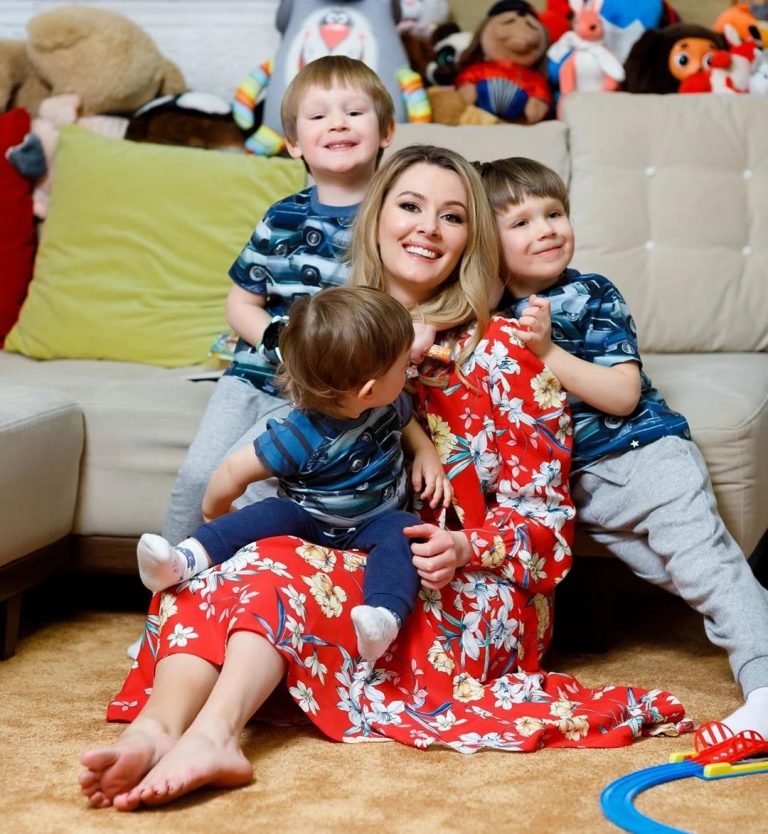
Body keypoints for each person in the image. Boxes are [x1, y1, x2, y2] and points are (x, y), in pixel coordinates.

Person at [80, 146, 690, 812]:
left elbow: (547, 529)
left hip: (462, 590)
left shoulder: (508, 354)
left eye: (452, 216)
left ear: (473, 240)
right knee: (228, 558)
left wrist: (465, 545)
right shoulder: (338, 329)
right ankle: (155, 730)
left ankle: (217, 735)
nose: (428, 227)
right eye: (410, 206)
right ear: (374, 220)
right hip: (341, 550)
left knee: (279, 567)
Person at [479, 156, 768, 738]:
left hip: (642, 456)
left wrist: (548, 352)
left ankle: (764, 688)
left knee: (708, 568)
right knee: (700, 578)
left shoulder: (589, 294)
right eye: (522, 222)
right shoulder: (486, 311)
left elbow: (621, 395)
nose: (547, 230)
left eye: (554, 213)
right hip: (577, 486)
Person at [137, 285, 452, 661]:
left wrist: (425, 451)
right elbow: (233, 471)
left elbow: (405, 421)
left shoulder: (387, 401)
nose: (409, 371)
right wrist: (213, 512)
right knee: (270, 513)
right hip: (308, 524)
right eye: (403, 367)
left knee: (404, 532)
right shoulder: (299, 435)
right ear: (368, 390)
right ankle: (184, 559)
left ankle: (382, 619)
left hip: (376, 522)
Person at [161, 55, 396, 549]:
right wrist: (278, 341)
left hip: (321, 394)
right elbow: (240, 303)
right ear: (294, 143)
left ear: (386, 131)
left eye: (354, 112)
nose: (338, 123)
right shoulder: (281, 218)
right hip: (253, 373)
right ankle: (170, 583)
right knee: (197, 476)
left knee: (254, 487)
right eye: (319, 115)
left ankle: (236, 580)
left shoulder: (393, 222)